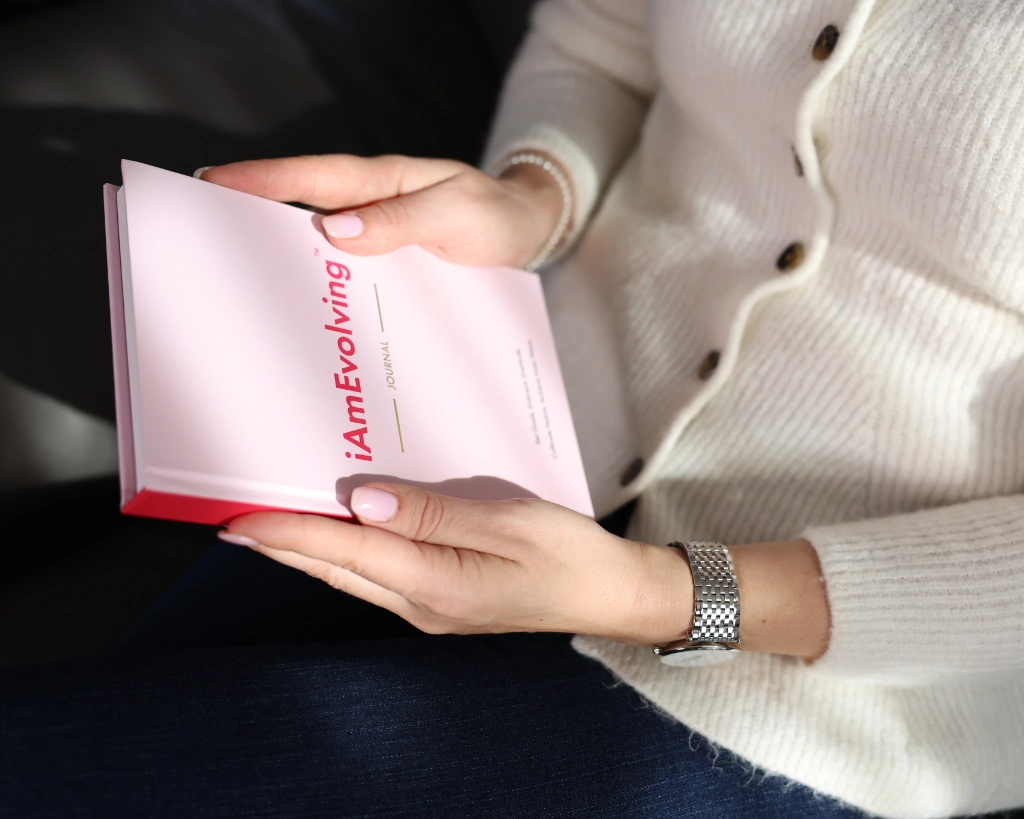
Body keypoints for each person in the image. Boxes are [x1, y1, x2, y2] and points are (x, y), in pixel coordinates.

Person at [2, 1, 1024, 817]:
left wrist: (656, 596)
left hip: (830, 689)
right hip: (493, 426)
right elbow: (599, 39)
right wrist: (532, 196)